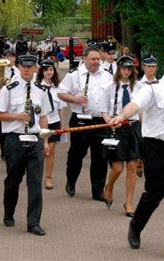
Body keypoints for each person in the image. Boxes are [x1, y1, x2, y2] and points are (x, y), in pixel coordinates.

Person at [110, 52, 164, 259]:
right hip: (156, 150)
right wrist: (121, 116)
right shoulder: (152, 90)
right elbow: (135, 105)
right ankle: (136, 226)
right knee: (154, 194)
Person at [0, 52, 50, 236]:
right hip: (15, 140)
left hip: (35, 140)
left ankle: (33, 222)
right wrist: (15, 116)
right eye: (24, 66)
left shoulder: (41, 89)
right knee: (13, 180)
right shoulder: (9, 89)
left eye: (30, 66)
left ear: (36, 68)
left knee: (35, 182)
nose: (27, 70)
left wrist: (46, 139)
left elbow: (43, 116)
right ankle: (8, 212)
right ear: (18, 67)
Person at [58, 46, 113, 201]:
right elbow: (60, 92)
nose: (96, 62)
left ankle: (98, 191)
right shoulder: (74, 75)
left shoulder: (107, 76)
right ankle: (71, 181)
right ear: (84, 59)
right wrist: (75, 99)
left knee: (100, 157)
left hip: (100, 121)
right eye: (93, 59)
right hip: (80, 120)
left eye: (98, 59)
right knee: (76, 154)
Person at [100, 55, 141, 217]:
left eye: (129, 68)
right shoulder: (110, 87)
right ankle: (109, 187)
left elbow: (142, 109)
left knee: (132, 166)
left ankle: (129, 203)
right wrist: (109, 121)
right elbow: (103, 110)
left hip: (133, 127)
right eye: (123, 68)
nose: (126, 71)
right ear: (119, 69)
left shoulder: (139, 87)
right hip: (116, 129)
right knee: (117, 167)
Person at [35, 59, 65, 190]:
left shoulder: (58, 87)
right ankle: (35, 175)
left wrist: (62, 126)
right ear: (42, 71)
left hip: (54, 121)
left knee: (51, 151)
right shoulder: (36, 86)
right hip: (40, 122)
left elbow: (61, 108)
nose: (49, 72)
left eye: (51, 69)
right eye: (46, 70)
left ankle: (48, 177)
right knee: (40, 150)